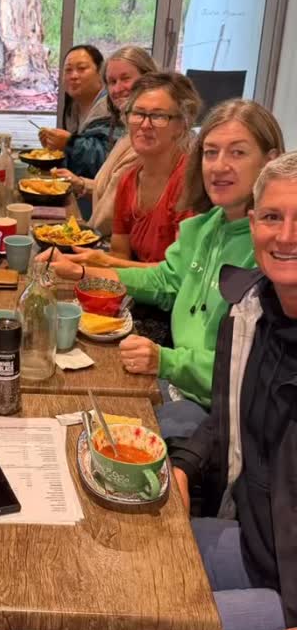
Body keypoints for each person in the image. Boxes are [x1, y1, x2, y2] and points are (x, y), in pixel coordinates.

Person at [76, 152, 297, 630]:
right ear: (251, 223)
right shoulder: (253, 312)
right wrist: (184, 465)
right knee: (108, 560)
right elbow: (221, 420)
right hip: (260, 545)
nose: (285, 237)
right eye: (272, 217)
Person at [40, 100, 284, 438]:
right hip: (174, 378)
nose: (219, 166)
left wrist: (165, 361)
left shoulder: (273, 251)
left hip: (215, 409)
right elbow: (164, 280)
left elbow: (249, 368)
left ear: (270, 162)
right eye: (211, 153)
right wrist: (83, 273)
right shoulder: (206, 226)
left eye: (238, 153)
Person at [73, 71, 201, 267]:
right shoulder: (127, 179)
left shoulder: (190, 182)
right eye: (138, 113)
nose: (145, 125)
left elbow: (179, 274)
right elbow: (120, 253)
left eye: (159, 116)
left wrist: (102, 261)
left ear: (182, 125)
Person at [54, 45, 158, 234]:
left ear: (149, 79)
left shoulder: (154, 139)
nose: (118, 88)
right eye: (112, 81)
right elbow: (118, 190)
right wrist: (81, 184)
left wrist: (70, 143)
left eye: (126, 79)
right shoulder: (127, 135)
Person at [39, 44, 112, 180]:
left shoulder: (111, 107)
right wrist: (55, 148)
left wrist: (70, 143)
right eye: (68, 70)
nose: (73, 76)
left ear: (100, 72)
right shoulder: (72, 106)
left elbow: (108, 161)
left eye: (82, 69)